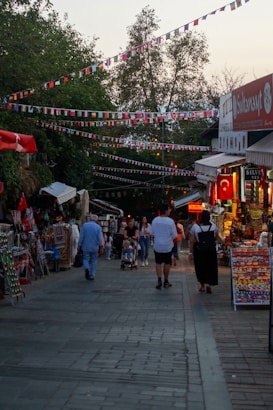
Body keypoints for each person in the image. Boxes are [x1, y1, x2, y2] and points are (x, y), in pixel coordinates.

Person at [189, 210, 221, 294]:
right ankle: (209, 285)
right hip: (211, 250)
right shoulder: (213, 226)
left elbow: (191, 240)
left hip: (200, 250)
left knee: (200, 267)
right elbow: (217, 237)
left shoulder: (195, 227)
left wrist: (190, 252)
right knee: (210, 267)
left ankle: (202, 285)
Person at [150, 203, 178, 289]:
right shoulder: (170, 221)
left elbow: (152, 233)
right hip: (167, 246)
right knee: (167, 263)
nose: (170, 211)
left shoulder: (155, 220)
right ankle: (166, 280)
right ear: (165, 211)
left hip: (157, 245)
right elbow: (174, 235)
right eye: (169, 209)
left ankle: (159, 280)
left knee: (158, 263)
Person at [78, 214, 104, 281]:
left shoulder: (85, 226)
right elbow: (100, 238)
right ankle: (92, 275)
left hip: (85, 246)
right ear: (96, 220)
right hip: (94, 247)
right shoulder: (98, 227)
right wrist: (101, 246)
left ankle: (86, 268)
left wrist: (79, 245)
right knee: (94, 260)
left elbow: (81, 237)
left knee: (85, 259)